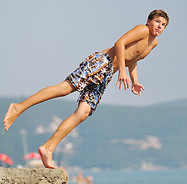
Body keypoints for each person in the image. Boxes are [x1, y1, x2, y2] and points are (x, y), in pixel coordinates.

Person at [3, 9, 169, 169]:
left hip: (107, 75)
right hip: (101, 62)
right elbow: (120, 43)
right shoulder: (142, 30)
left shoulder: (153, 43)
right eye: (157, 21)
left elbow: (134, 58)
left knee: (82, 112)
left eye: (163, 24)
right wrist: (123, 72)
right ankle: (18, 107)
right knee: (65, 89)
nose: (160, 26)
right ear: (148, 21)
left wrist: (135, 81)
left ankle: (48, 147)